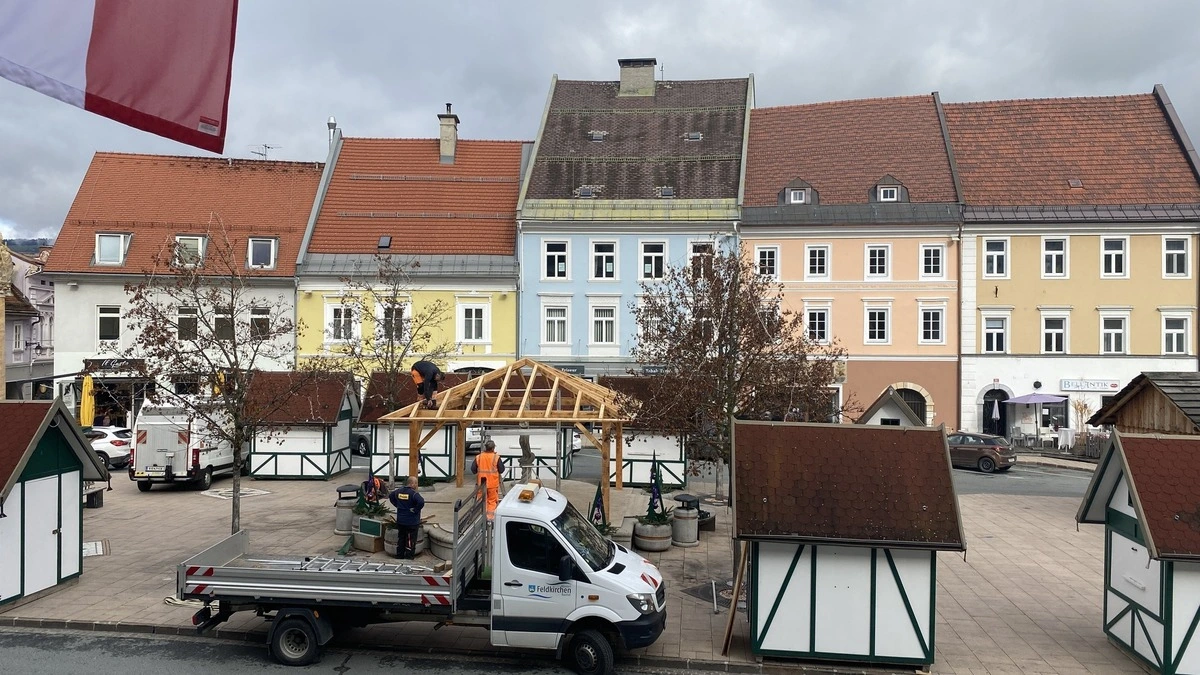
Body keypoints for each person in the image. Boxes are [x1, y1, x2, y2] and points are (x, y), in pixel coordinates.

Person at [388, 476, 424, 559]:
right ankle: (409, 557)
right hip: (411, 522)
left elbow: (391, 496)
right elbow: (421, 502)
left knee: (401, 538)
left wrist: (397, 505)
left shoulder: (399, 491)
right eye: (416, 483)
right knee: (410, 540)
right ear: (412, 484)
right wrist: (415, 510)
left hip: (401, 520)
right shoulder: (413, 494)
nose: (416, 485)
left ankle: (399, 555)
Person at [471, 439, 506, 520]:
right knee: (492, 501)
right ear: (493, 448)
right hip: (492, 485)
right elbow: (501, 470)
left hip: (481, 485)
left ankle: (481, 517)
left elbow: (473, 470)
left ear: (485, 448)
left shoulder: (479, 457)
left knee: (482, 501)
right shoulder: (496, 457)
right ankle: (489, 519)